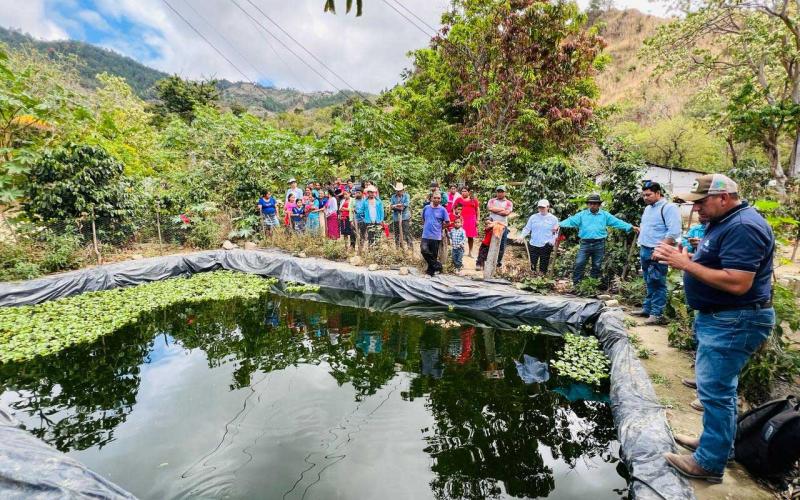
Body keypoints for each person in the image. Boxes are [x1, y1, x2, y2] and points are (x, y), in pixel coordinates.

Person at [653, 174, 775, 484]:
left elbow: (738, 281)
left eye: (701, 202)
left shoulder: (743, 226)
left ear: (724, 197)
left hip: (734, 320)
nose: (696, 209)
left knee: (716, 392)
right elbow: (719, 264)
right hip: (723, 319)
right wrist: (689, 258)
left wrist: (685, 265)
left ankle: (708, 463)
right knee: (722, 390)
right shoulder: (726, 222)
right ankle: (717, 445)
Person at [559, 193, 639, 283]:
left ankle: (592, 284)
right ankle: (576, 283)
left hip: (599, 243)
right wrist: (559, 225)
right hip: (585, 243)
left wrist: (631, 227)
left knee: (597, 265)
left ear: (599, 205)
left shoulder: (605, 215)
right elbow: (571, 220)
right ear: (588, 204)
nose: (592, 205)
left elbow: (617, 222)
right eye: (591, 203)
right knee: (579, 263)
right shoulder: (582, 215)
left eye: (595, 203)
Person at [633, 181, 682, 325]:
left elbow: (673, 232)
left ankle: (657, 314)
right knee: (648, 281)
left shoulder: (669, 208)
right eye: (644, 195)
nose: (645, 198)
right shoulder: (648, 209)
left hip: (658, 251)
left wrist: (660, 249)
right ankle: (647, 309)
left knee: (658, 282)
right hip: (645, 249)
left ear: (658, 193)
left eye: (648, 195)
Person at [476, 186, 513, 270]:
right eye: (498, 191)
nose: (500, 193)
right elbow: (490, 208)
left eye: (502, 191)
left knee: (501, 246)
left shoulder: (509, 203)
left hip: (503, 226)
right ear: (496, 192)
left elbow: (506, 213)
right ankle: (482, 262)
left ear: (505, 192)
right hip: (491, 225)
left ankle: (497, 263)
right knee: (485, 244)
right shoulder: (492, 200)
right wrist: (502, 209)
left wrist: (495, 210)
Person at [519, 199, 559, 273]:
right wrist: (522, 236)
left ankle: (542, 278)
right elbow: (527, 228)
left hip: (546, 245)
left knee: (544, 265)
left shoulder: (553, 219)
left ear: (548, 207)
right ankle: (532, 277)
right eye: (540, 207)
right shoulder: (533, 217)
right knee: (532, 264)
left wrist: (551, 242)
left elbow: (556, 233)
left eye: (543, 207)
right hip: (533, 244)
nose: (541, 209)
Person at [421, 192, 450, 276]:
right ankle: (438, 266)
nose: (437, 199)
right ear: (431, 198)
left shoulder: (443, 210)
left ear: (441, 199)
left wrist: (440, 228)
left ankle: (430, 272)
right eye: (435, 198)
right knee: (424, 250)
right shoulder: (426, 208)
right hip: (425, 235)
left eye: (438, 198)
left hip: (436, 236)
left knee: (433, 255)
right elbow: (423, 218)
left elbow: (448, 222)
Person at [455, 187, 479, 256]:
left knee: (470, 236)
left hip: (472, 219)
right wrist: (457, 214)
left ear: (468, 192)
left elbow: (477, 210)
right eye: (462, 191)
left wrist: (478, 220)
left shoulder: (473, 199)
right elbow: (454, 208)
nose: (463, 192)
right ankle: (460, 251)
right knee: (460, 235)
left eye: (465, 191)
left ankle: (470, 252)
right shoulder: (459, 199)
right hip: (462, 219)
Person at [390, 182, 412, 249]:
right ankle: (398, 248)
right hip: (396, 217)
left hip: (405, 217)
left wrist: (396, 206)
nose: (398, 192)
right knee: (397, 233)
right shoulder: (393, 197)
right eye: (397, 191)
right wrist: (397, 206)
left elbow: (405, 205)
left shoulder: (406, 196)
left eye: (400, 191)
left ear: (403, 190)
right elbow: (391, 206)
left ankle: (410, 248)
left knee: (406, 232)